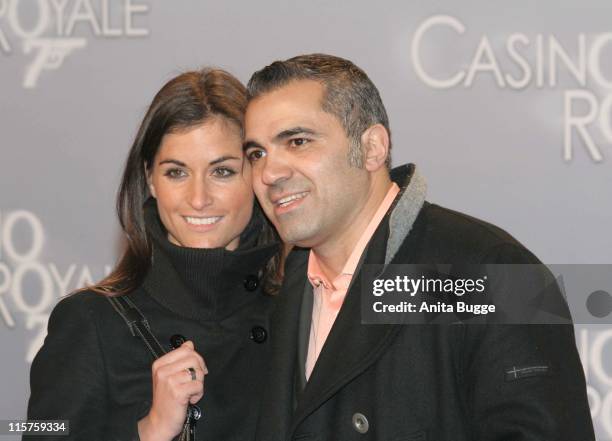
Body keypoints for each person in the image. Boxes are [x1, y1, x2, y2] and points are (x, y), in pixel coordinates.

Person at [243, 54, 595, 441]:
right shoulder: (281, 289)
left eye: (297, 141)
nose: (269, 173)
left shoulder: (495, 274)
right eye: (256, 153)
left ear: (373, 148)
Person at [26, 68, 281, 441]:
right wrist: (150, 430)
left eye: (222, 172)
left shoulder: (299, 309)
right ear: (149, 180)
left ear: (258, 173)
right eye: (177, 173)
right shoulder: (90, 321)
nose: (198, 198)